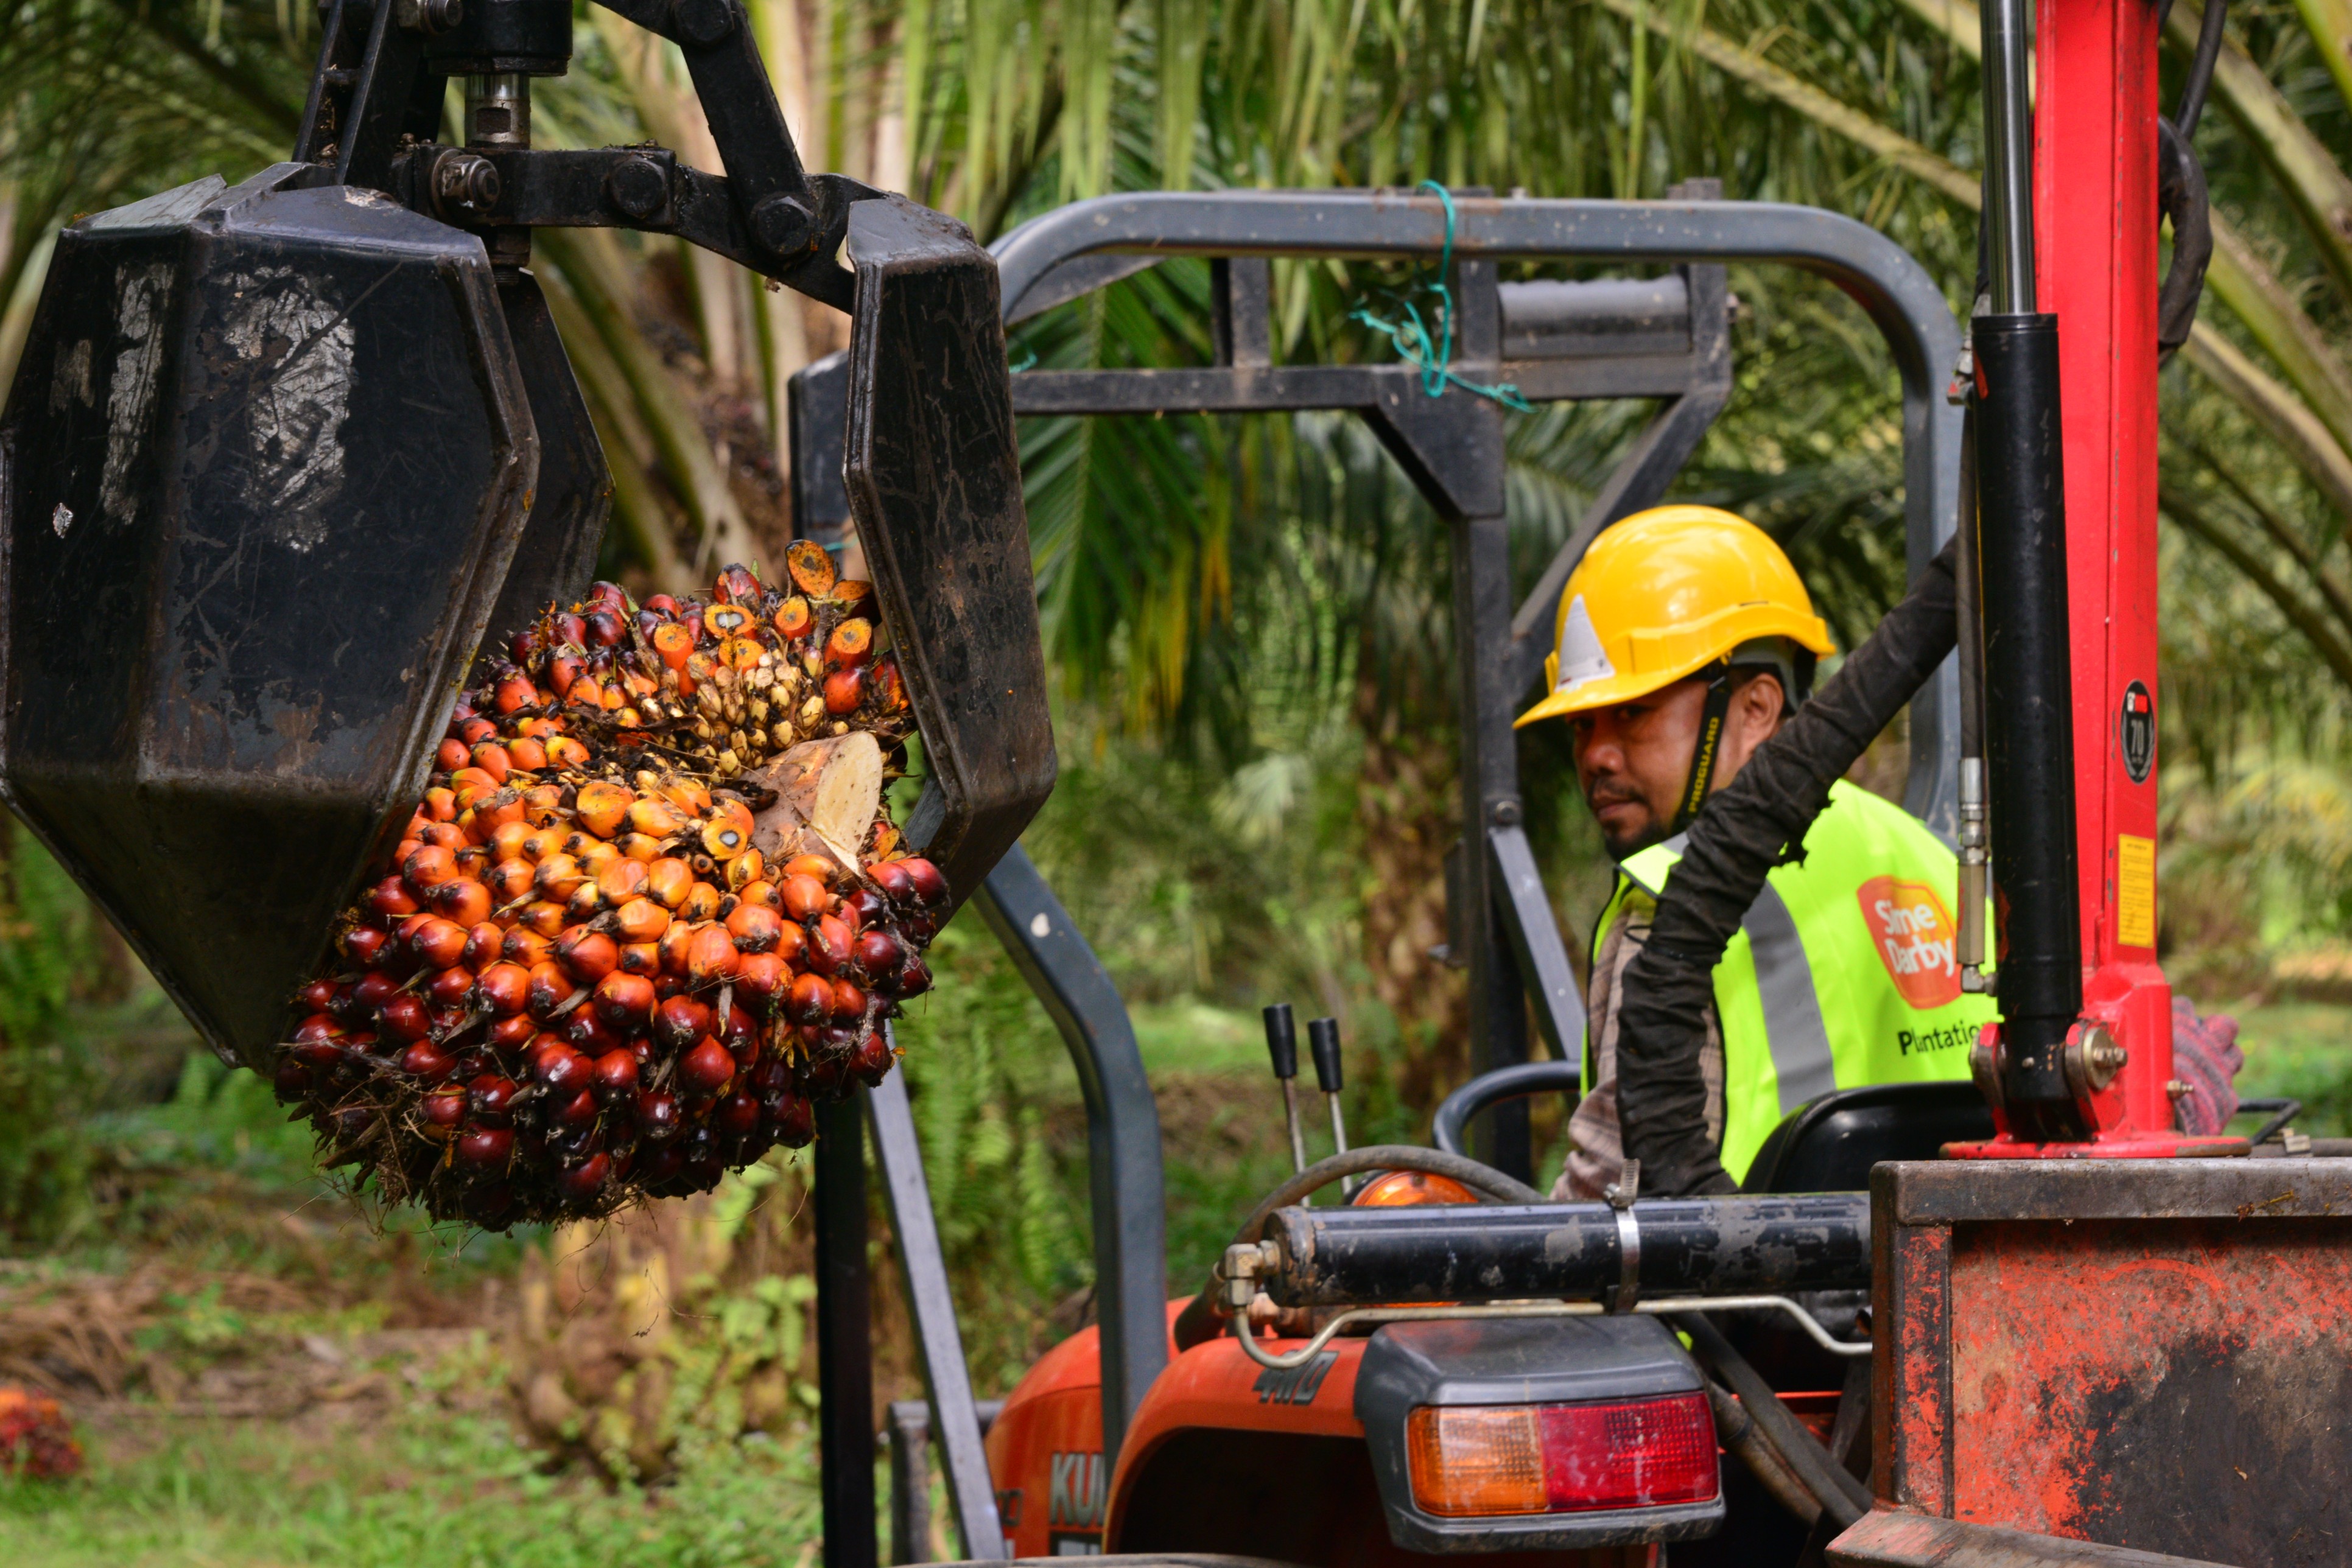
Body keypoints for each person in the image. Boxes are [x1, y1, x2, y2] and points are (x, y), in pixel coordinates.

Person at [1515, 505, 1997, 1200]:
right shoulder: (1929, 857)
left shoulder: (1667, 904)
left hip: (1736, 1307)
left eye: (1633, 712)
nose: (1595, 754)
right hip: (1930, 1302)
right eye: (1580, 725)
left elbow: (1607, 1203)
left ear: (1754, 707)